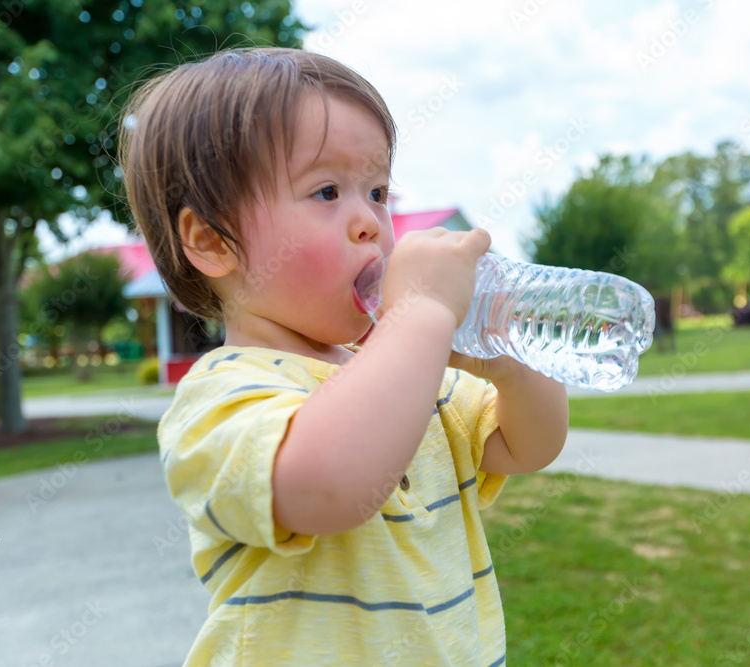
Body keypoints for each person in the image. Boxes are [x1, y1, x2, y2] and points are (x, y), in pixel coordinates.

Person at [118, 46, 570, 666]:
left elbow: (531, 446)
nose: (371, 224)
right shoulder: (217, 401)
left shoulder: (408, 373)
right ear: (211, 241)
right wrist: (420, 319)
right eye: (327, 191)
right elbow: (332, 488)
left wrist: (507, 362)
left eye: (379, 191)